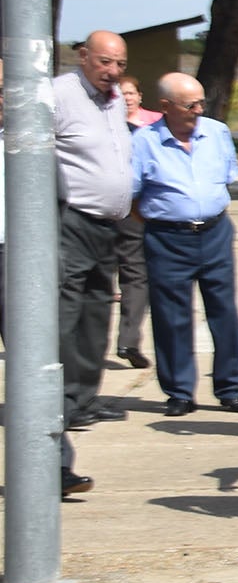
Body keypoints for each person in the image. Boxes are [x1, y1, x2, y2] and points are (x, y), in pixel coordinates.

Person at [131, 73, 238, 415]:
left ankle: (230, 387)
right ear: (165, 107)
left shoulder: (217, 133)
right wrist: (168, 219)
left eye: (201, 103)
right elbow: (134, 196)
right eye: (190, 105)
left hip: (214, 233)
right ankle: (179, 392)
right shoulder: (144, 141)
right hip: (167, 238)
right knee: (171, 317)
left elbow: (227, 177)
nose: (198, 110)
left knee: (224, 311)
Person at [55, 30, 131, 489]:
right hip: (71, 224)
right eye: (105, 62)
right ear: (83, 57)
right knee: (63, 326)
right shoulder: (59, 95)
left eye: (120, 64)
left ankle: (78, 403)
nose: (113, 72)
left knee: (96, 321)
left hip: (109, 229)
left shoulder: (116, 98)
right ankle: (55, 419)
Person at [112, 75, 155, 371]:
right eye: (120, 93)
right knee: (134, 276)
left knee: (134, 275)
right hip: (102, 213)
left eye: (130, 92)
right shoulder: (138, 135)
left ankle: (128, 340)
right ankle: (127, 340)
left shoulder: (148, 130)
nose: (126, 98)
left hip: (129, 212)